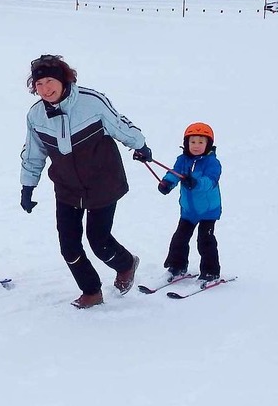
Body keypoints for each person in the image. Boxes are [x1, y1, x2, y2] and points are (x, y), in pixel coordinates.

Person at [20, 54, 152, 309]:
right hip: (67, 187)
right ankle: (91, 291)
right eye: (39, 84)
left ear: (63, 79)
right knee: (69, 246)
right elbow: (33, 152)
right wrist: (28, 186)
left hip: (103, 181)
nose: (46, 89)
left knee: (99, 241)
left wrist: (140, 145)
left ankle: (126, 264)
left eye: (50, 81)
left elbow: (118, 124)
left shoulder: (91, 102)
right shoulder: (36, 116)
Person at [158, 122, 222, 287]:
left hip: (208, 211)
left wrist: (196, 182)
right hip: (188, 210)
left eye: (201, 142)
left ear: (208, 144)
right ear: (186, 143)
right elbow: (174, 174)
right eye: (192, 142)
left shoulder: (212, 163)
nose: (196, 146)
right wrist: (167, 183)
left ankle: (211, 272)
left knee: (205, 240)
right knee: (179, 239)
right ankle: (178, 267)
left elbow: (210, 181)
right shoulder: (183, 160)